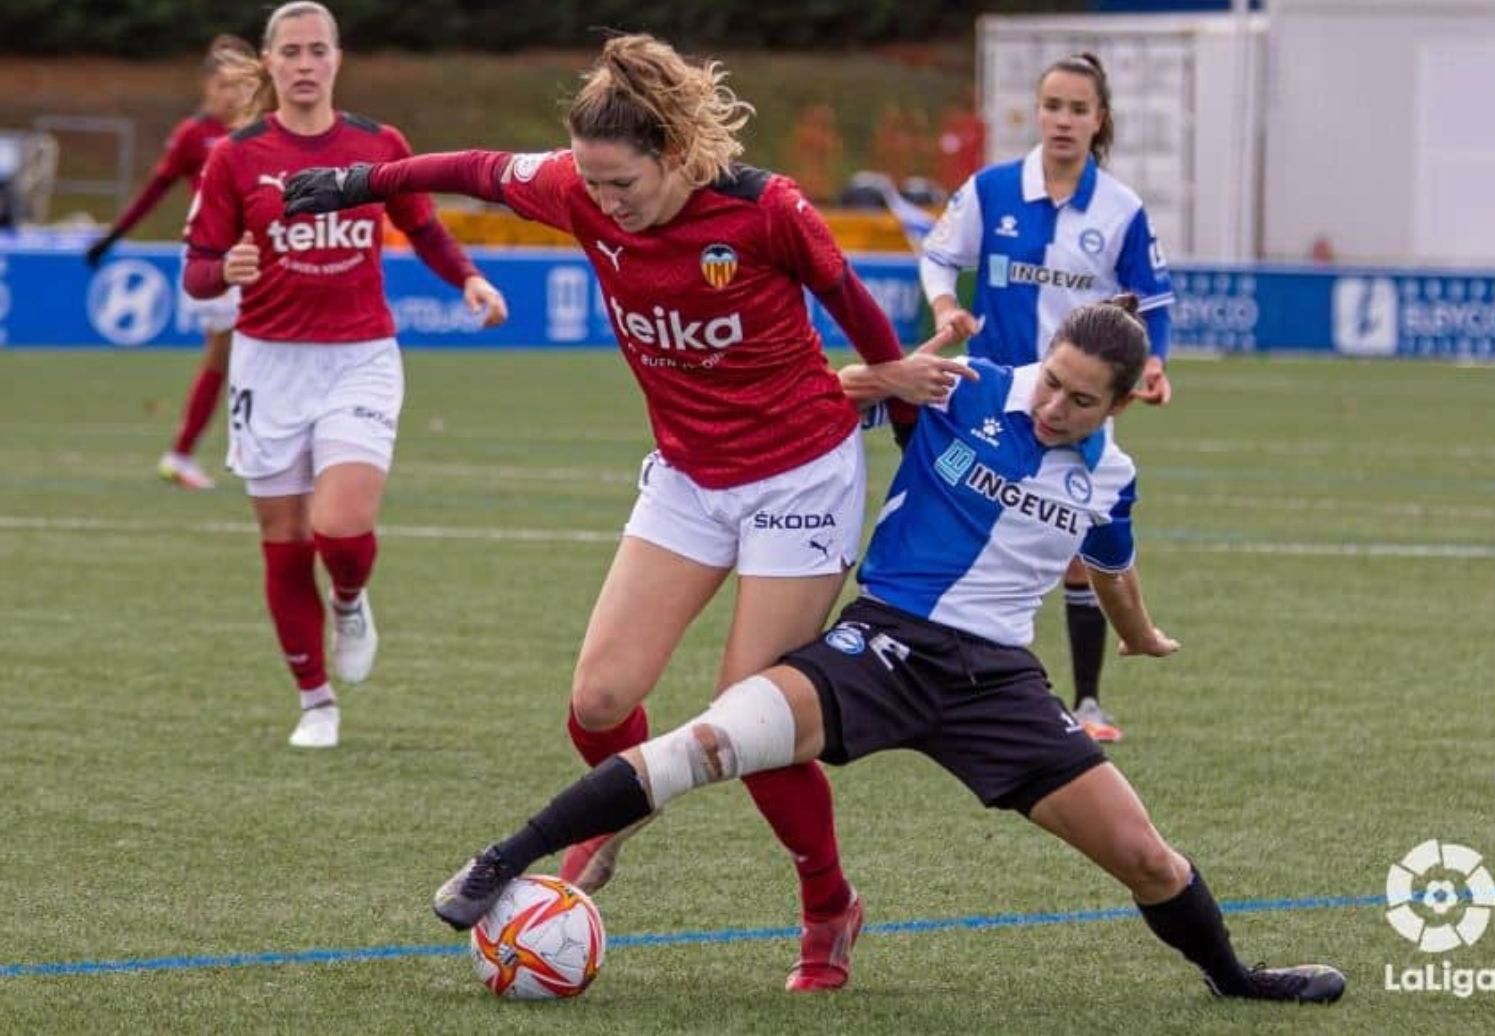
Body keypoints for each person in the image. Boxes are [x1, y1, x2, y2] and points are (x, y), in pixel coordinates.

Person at [283, 33, 971, 990]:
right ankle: (618, 812)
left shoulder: (766, 210)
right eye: (593, 187)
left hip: (800, 476)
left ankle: (827, 903)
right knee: (599, 702)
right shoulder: (576, 187)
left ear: (677, 157)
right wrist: (363, 185)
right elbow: (473, 170)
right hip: (689, 477)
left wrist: (897, 394)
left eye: (623, 186)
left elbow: (847, 297)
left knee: (755, 716)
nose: (604, 205)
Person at [429, 297, 1347, 1006]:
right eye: (1052, 381)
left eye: (1080, 399)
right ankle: (501, 861)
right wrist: (886, 376)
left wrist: (1139, 635)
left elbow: (1109, 564)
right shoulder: (971, 386)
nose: (1054, 405)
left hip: (996, 685)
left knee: (1149, 860)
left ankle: (1236, 979)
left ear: (1122, 403)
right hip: (882, 645)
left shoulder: (1112, 474)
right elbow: (824, 399)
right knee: (707, 742)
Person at [182, 1, 507, 749]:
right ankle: (315, 701)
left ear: (336, 59)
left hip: (359, 356)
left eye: (316, 50)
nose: (303, 64)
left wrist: (468, 280)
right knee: (285, 539)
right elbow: (198, 269)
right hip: (267, 363)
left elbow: (422, 225)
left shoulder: (376, 143)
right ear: (269, 63)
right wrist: (220, 270)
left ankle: (352, 600)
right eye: (290, 51)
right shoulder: (236, 156)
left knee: (341, 524)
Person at [920, 53, 1176, 744]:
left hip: (1078, 406)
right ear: (1037, 113)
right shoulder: (993, 190)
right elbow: (939, 254)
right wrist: (947, 307)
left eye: (1078, 109)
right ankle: (946, 677)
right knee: (975, 528)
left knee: (1072, 544)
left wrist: (1152, 363)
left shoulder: (1120, 209)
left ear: (1100, 120)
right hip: (1000, 400)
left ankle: (1087, 703)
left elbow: (1153, 302)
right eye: (1052, 106)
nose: (1063, 120)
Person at [85, 34, 259, 489]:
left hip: (260, 253)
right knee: (229, 352)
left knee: (250, 353)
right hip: (215, 255)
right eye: (223, 84)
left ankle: (217, 450)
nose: (232, 94)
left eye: (240, 85)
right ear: (206, 87)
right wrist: (113, 236)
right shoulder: (194, 135)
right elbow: (155, 189)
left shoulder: (263, 132)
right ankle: (188, 453)